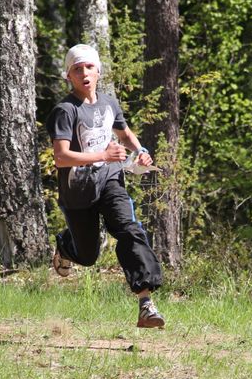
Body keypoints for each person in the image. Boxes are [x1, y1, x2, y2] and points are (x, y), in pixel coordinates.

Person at [46, 44, 165, 328]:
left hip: (110, 180)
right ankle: (65, 246)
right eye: (77, 69)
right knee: (88, 257)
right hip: (77, 193)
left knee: (129, 229)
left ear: (98, 71)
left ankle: (145, 302)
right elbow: (61, 158)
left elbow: (124, 133)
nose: (84, 73)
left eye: (88, 67)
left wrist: (141, 150)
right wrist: (102, 155)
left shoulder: (109, 103)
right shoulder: (65, 111)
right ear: (69, 76)